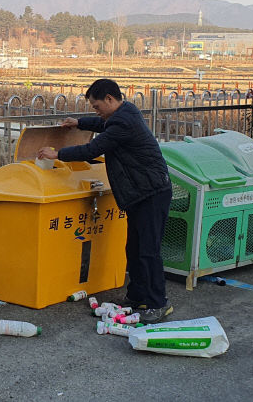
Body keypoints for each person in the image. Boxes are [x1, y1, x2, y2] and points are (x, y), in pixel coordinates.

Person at [37, 79, 173, 323]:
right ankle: (138, 296)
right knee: (134, 248)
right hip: (141, 191)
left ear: (110, 99)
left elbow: (92, 149)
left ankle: (158, 303)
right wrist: (79, 122)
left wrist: (58, 154)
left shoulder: (123, 121)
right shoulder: (123, 112)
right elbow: (102, 123)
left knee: (148, 251)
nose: (96, 111)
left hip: (151, 192)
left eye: (97, 105)